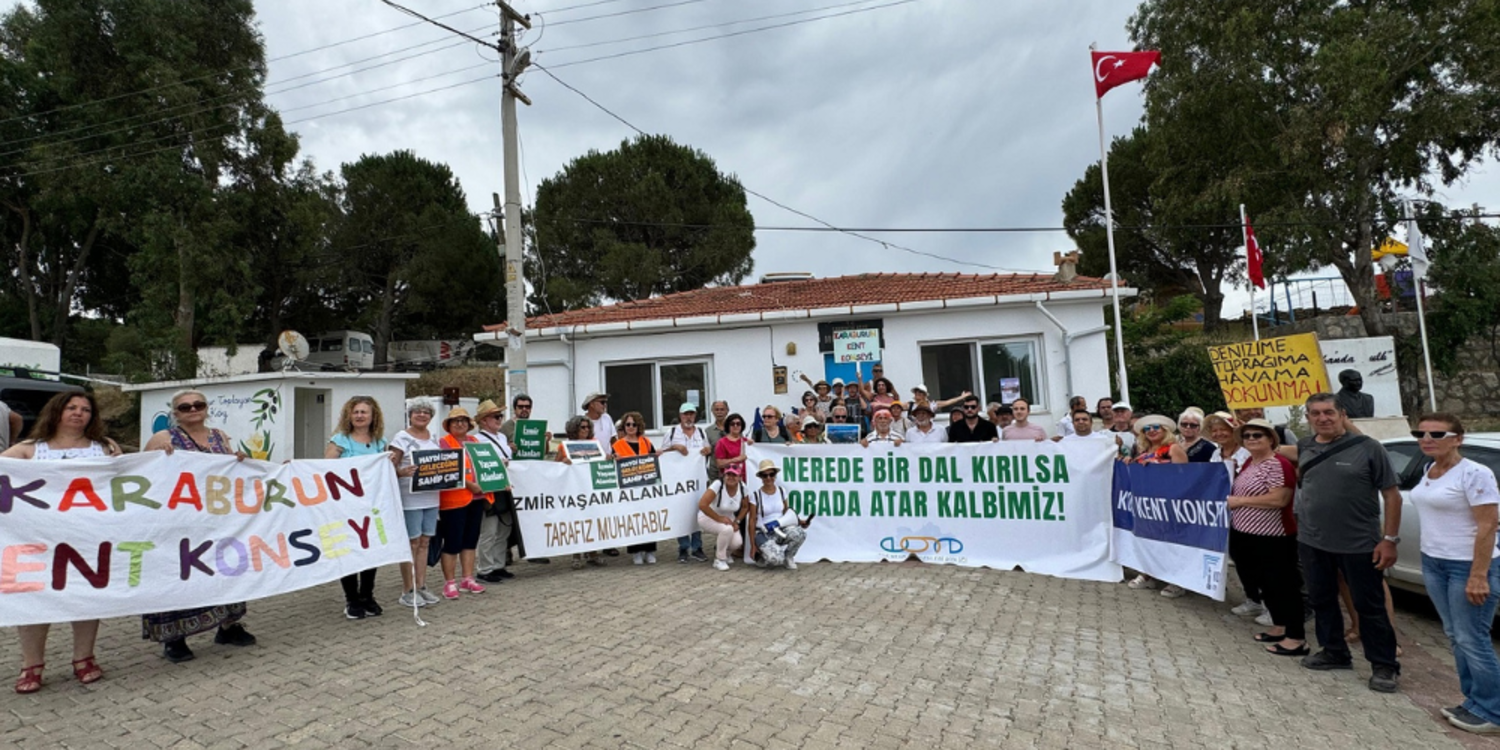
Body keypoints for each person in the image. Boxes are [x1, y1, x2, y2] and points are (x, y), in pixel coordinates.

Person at [6, 391, 121, 693]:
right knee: (34, 600)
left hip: (89, 537)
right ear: (56, 411)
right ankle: (31, 665)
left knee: (86, 596)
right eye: (71, 407)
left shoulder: (105, 448)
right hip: (37, 540)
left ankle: (83, 658)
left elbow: (129, 476)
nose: (78, 413)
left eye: (85, 409)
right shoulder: (29, 450)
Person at [1295, 392, 1402, 692]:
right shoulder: (1305, 446)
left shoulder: (1369, 448)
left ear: (1342, 414)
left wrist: (1389, 539)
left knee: (1369, 606)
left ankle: (1384, 665)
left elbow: (1392, 495)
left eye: (1328, 412)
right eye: (1315, 413)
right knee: (1322, 599)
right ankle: (1334, 651)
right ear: (1308, 418)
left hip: (1359, 543)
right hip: (1313, 541)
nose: (1322, 418)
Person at [140, 390, 256, 662]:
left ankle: (228, 626)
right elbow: (142, 474)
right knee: (180, 574)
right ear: (176, 413)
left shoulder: (219, 436)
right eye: (185, 407)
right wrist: (157, 457)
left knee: (224, 569)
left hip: (216, 520)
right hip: (178, 521)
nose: (193, 409)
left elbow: (229, 474)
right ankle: (174, 637)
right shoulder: (164, 438)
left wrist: (238, 460)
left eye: (198, 404)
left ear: (206, 408)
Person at [1406, 413, 1500, 733]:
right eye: (1421, 433)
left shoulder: (1475, 473)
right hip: (1434, 562)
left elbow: (1488, 524)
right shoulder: (1428, 469)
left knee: (1472, 638)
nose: (1427, 438)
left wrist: (1479, 575)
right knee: (1455, 636)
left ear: (1458, 438)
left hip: (1466, 566)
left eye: (1437, 434)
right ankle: (1474, 701)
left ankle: (1493, 711)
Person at [1227, 419, 1306, 657]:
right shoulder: (1250, 462)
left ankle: (1296, 637)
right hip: (1245, 533)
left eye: (1257, 435)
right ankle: (1279, 626)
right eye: (1248, 436)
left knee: (1283, 585)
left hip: (1273, 536)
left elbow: (1279, 499)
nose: (1252, 439)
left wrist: (1240, 502)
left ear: (1271, 439)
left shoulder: (1279, 464)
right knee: (1265, 585)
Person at [326, 396, 390, 620]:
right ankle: (351, 599)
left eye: (364, 412)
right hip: (346, 506)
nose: (360, 416)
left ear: (373, 417)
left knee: (371, 553)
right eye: (356, 412)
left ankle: (367, 596)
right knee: (350, 550)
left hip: (371, 507)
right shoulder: (341, 440)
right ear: (349, 415)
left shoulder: (380, 442)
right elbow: (325, 469)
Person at [389, 400, 443, 608]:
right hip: (410, 498)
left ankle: (421, 585)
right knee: (412, 543)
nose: (421, 415)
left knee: (425, 542)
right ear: (410, 415)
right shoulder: (401, 438)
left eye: (426, 412)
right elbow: (389, 467)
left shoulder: (435, 438)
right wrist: (402, 472)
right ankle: (408, 589)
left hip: (432, 497)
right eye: (417, 412)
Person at [435, 407, 489, 599]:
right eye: (455, 421)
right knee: (452, 542)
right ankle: (449, 583)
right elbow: (446, 470)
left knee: (470, 541)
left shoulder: (475, 442)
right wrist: (470, 485)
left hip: (477, 498)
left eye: (463, 421)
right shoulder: (443, 444)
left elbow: (486, 464)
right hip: (453, 500)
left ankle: (468, 578)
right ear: (448, 425)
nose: (460, 424)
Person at [498, 393, 545, 565]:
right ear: (515, 408)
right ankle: (506, 551)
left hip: (530, 477)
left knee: (531, 515)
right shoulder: (505, 427)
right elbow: (499, 449)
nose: (524, 410)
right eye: (521, 407)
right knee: (511, 517)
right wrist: (508, 448)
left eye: (527, 407)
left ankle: (532, 551)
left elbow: (542, 452)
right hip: (513, 478)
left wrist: (545, 440)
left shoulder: (536, 426)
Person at [472, 400, 516, 584]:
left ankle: (498, 564)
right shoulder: (477, 440)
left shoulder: (502, 438)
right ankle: (484, 568)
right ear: (483, 421)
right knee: (489, 530)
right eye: (496, 417)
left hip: (505, 486)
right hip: (490, 488)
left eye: (500, 416)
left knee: (504, 528)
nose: (500, 420)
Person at [664, 403, 712, 563]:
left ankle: (697, 547)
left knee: (698, 511)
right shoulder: (671, 433)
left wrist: (707, 450)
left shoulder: (700, 432)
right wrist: (675, 447)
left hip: (697, 481)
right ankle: (683, 547)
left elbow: (707, 449)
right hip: (678, 481)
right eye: (686, 414)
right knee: (681, 512)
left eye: (691, 414)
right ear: (680, 416)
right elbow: (662, 454)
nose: (688, 417)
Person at [557, 416, 606, 569]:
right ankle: (576, 555)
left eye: (587, 427)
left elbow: (601, 462)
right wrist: (563, 462)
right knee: (576, 521)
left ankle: (593, 553)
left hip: (590, 488)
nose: (585, 430)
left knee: (592, 519)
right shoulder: (564, 446)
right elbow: (555, 467)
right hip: (573, 490)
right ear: (574, 429)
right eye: (582, 427)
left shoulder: (594, 444)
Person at [613, 411, 660, 565]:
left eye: (634, 424)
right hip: (629, 488)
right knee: (632, 519)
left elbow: (654, 460)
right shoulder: (617, 445)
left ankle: (650, 550)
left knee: (648, 518)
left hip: (646, 487)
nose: (631, 427)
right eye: (628, 424)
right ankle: (636, 551)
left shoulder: (646, 442)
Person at [749, 460, 811, 569]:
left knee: (800, 533)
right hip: (763, 532)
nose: (768, 478)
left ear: (775, 475)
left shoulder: (782, 491)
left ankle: (788, 557)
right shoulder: (756, 496)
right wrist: (753, 545)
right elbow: (752, 520)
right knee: (776, 560)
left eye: (771, 474)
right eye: (765, 475)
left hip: (780, 529)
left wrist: (800, 522)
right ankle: (763, 557)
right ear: (761, 478)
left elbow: (786, 513)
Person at [697, 464, 750, 570]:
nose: (731, 477)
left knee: (737, 542)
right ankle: (719, 559)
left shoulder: (743, 488)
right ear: (724, 475)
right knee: (727, 530)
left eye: (734, 475)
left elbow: (745, 507)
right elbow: (702, 504)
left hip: (729, 520)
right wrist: (719, 518)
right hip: (708, 517)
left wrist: (737, 521)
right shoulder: (718, 485)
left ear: (739, 477)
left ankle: (725, 553)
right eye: (728, 474)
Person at [582, 392, 616, 458]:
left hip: (607, 461)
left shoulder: (607, 418)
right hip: (590, 460)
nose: (605, 405)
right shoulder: (582, 422)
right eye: (602, 402)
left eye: (606, 402)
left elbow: (613, 439)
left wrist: (616, 453)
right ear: (592, 404)